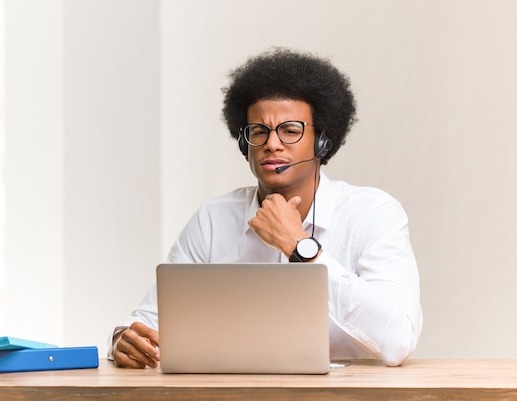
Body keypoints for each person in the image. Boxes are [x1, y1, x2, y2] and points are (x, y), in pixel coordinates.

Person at [109, 48, 422, 368]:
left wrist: (300, 247)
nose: (272, 143)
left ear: (322, 143)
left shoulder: (372, 213)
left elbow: (398, 341)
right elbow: (148, 322)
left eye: (290, 130)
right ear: (245, 147)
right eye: (259, 132)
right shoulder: (213, 220)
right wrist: (124, 341)